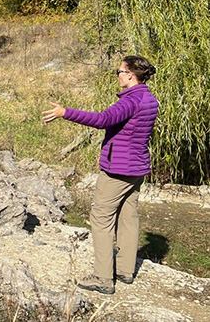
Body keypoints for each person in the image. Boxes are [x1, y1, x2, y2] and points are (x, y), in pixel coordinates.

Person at [42, 56, 158, 295]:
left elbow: (102, 120)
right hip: (137, 168)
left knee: (101, 219)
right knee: (128, 216)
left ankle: (103, 278)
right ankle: (125, 270)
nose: (117, 74)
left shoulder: (131, 101)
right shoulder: (149, 99)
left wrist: (65, 112)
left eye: (120, 71)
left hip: (118, 170)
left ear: (130, 75)